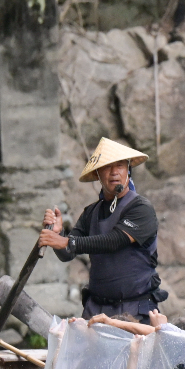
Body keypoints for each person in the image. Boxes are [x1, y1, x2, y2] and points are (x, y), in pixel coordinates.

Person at [40, 137, 165, 324]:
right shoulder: (91, 212)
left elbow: (115, 240)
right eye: (108, 167)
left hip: (136, 310)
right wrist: (58, 235)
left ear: (128, 170)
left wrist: (67, 241)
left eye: (120, 166)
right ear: (98, 174)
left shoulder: (141, 208)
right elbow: (67, 253)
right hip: (96, 309)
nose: (114, 172)